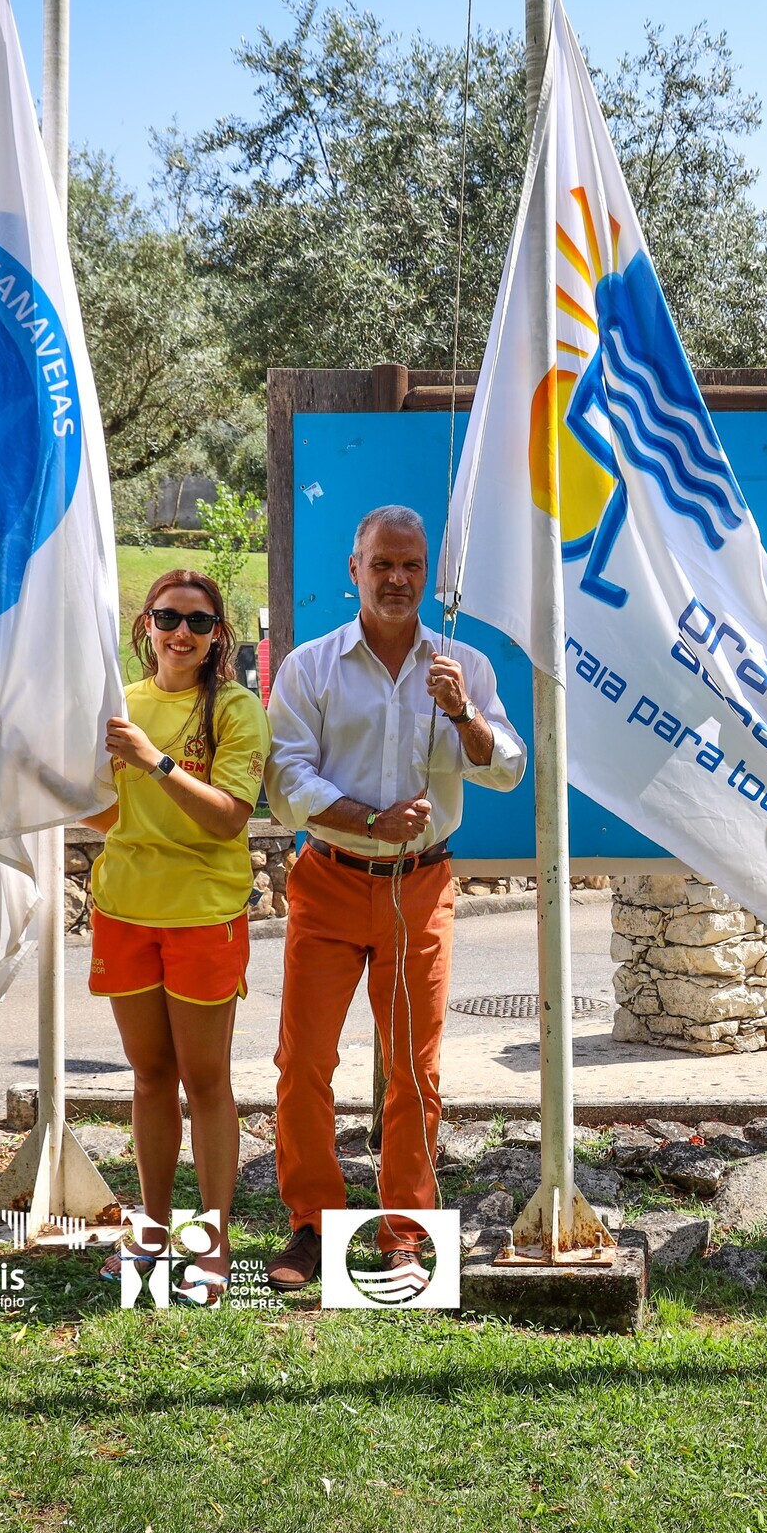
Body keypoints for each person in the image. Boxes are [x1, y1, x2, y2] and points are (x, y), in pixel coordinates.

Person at [261, 506, 525, 1293]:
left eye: (410, 565)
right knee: (303, 1062)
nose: (397, 579)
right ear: (355, 570)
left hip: (421, 887)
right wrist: (367, 818)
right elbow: (286, 786)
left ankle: (404, 1233)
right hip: (331, 880)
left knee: (415, 1068)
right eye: (382, 564)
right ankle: (311, 1224)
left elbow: (505, 766)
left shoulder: (462, 665)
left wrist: (463, 713)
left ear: (426, 573)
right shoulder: (310, 666)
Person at [84, 569, 271, 1304]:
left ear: (218, 634)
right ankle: (153, 1231)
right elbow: (105, 814)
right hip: (125, 911)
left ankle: (214, 1244)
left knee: (206, 1079)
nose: (181, 633)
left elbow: (229, 817)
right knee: (150, 1077)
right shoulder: (121, 708)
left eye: (198, 622)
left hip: (203, 914)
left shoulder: (234, 709)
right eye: (168, 618)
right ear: (147, 624)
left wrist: (155, 762)